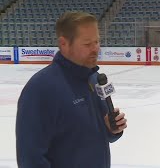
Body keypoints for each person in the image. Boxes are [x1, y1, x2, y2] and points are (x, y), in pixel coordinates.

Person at [16, 11, 127, 168]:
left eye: (97, 42)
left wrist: (110, 129)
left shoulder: (94, 79)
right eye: (87, 44)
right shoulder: (40, 89)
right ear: (64, 44)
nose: (95, 49)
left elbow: (98, 135)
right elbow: (31, 159)